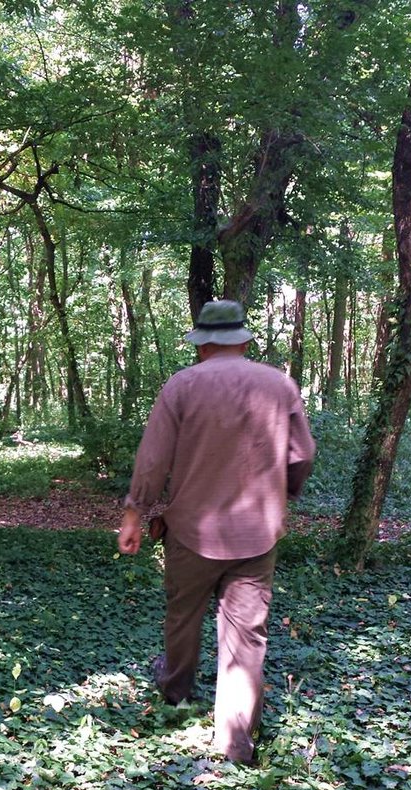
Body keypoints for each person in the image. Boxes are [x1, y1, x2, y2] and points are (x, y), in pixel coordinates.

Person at [118, 299, 316, 764]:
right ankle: (234, 742)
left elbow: (153, 459)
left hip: (191, 531)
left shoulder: (182, 385)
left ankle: (177, 691)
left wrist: (133, 514)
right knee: (246, 636)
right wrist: (283, 494)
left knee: (183, 614)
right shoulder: (280, 385)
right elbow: (303, 455)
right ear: (244, 341)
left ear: (202, 344)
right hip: (257, 534)